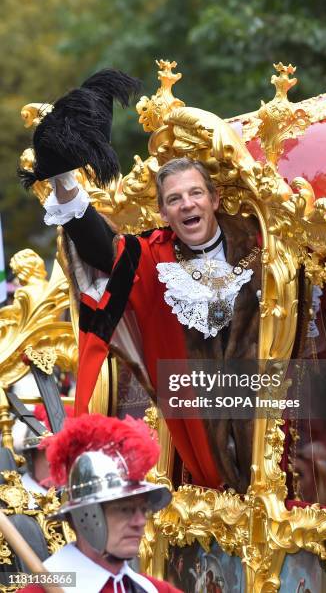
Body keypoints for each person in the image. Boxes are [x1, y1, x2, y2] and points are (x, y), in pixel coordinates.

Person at [20, 70, 262, 494]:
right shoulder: (153, 257)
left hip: (276, 432)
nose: (186, 204)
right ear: (165, 213)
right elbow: (99, 248)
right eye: (174, 199)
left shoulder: (261, 249)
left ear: (214, 200)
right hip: (202, 457)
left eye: (195, 194)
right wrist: (62, 177)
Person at [19, 413, 181, 592]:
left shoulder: (156, 589)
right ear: (85, 516)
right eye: (125, 509)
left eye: (143, 509)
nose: (140, 521)